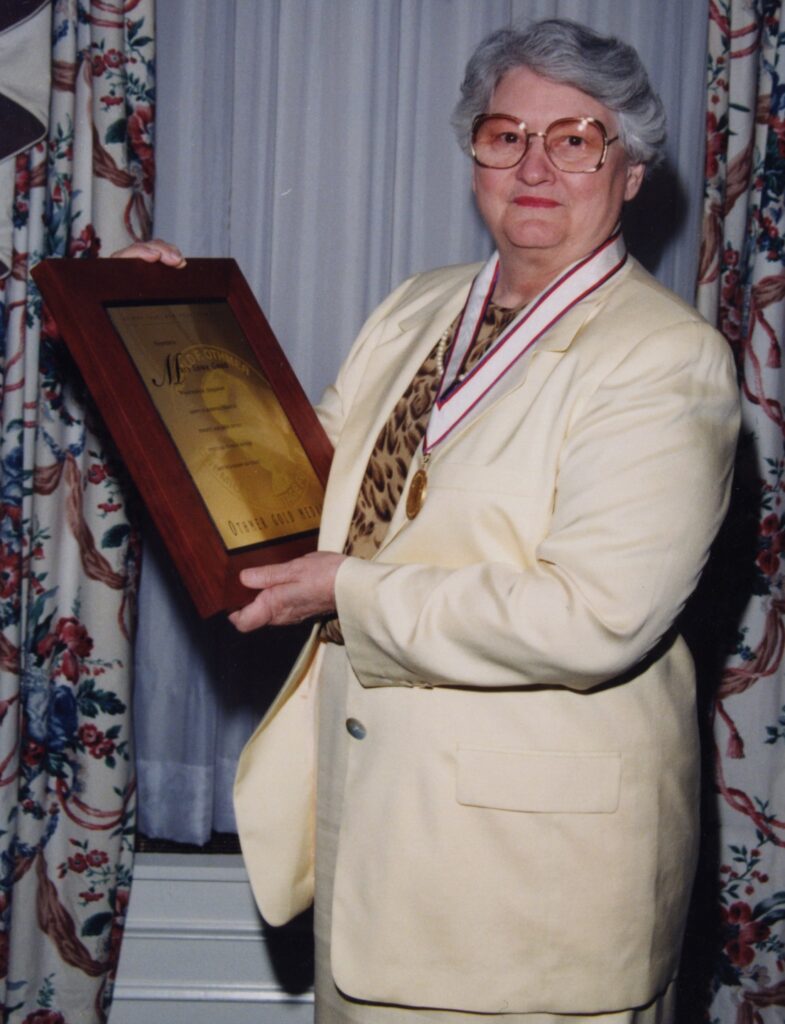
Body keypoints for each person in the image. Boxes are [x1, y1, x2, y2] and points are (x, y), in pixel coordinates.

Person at [123, 18, 740, 1024]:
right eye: (504, 136)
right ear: (472, 155)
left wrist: (346, 592)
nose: (532, 165)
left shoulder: (662, 359)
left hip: (528, 900)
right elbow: (288, 481)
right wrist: (164, 334)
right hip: (373, 853)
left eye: (574, 139)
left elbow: (594, 617)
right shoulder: (418, 306)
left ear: (627, 170)